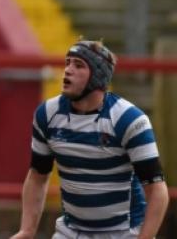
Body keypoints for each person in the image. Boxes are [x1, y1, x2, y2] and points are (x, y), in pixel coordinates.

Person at [11, 40, 169, 239]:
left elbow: (157, 190)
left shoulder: (129, 119)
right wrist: (27, 230)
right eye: (68, 63)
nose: (67, 70)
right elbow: (37, 176)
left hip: (124, 233)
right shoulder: (47, 114)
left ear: (98, 76)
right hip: (71, 232)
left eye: (78, 65)